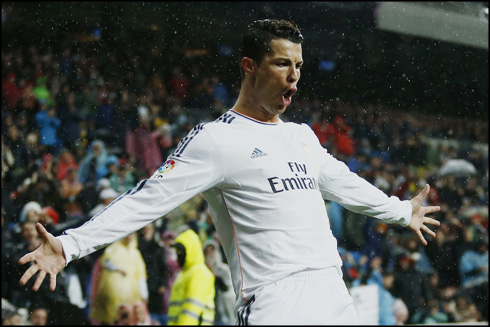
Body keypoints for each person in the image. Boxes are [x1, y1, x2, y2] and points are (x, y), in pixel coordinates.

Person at [18, 19, 440, 325]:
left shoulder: (301, 136)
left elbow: (344, 183)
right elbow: (147, 199)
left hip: (333, 291)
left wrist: (401, 212)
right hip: (275, 302)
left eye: (299, 67)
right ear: (249, 66)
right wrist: (70, 245)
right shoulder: (215, 140)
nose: (294, 77)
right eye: (281, 64)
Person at [167, 228, 215, 325]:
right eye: (177, 251)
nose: (178, 255)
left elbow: (191, 311)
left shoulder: (199, 273)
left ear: (190, 250)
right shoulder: (185, 273)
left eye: (180, 251)